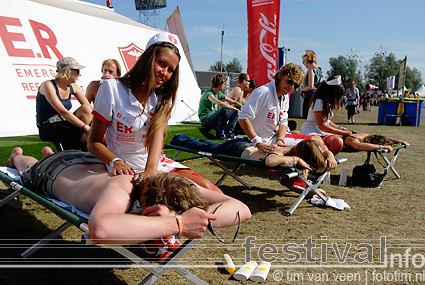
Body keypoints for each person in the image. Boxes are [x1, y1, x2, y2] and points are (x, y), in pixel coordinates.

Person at [6, 147, 251, 246]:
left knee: (53, 158)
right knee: (28, 166)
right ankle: (18, 156)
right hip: (53, 170)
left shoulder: (177, 183)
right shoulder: (125, 186)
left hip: (89, 165)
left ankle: (48, 150)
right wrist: (179, 224)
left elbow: (241, 208)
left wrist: (200, 217)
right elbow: (100, 228)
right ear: (144, 205)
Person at [88, 32, 221, 193]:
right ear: (147, 58)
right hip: (125, 168)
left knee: (211, 189)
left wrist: (151, 170)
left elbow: (157, 141)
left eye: (170, 70)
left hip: (155, 165)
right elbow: (93, 142)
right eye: (161, 63)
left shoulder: (163, 99)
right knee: (198, 196)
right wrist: (115, 161)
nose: (164, 73)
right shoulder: (112, 88)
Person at [238, 63, 304, 156]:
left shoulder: (284, 97)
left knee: (310, 145)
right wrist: (258, 142)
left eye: (296, 85)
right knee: (215, 147)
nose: (292, 87)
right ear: (281, 75)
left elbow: (284, 123)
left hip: (273, 141)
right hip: (255, 143)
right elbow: (243, 117)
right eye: (290, 82)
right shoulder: (263, 92)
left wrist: (280, 141)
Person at [36, 57, 93, 151]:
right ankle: (80, 143)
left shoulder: (73, 87)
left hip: (65, 123)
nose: (80, 74)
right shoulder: (48, 85)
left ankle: (82, 145)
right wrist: (86, 127)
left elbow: (89, 109)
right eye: (77, 71)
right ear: (67, 72)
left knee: (87, 108)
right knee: (91, 139)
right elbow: (62, 111)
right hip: (49, 126)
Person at [299, 75, 353, 155]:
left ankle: (325, 157)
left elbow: (327, 121)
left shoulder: (327, 102)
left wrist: (340, 128)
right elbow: (322, 125)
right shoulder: (318, 102)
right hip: (312, 131)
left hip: (323, 132)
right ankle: (325, 157)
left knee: (337, 142)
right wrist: (341, 132)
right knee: (320, 146)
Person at [198, 74, 242, 140]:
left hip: (213, 119)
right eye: (224, 84)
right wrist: (234, 108)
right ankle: (220, 134)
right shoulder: (209, 94)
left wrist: (243, 107)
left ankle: (229, 132)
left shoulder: (218, 93)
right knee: (224, 110)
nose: (224, 86)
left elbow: (234, 102)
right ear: (219, 84)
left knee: (235, 110)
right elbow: (220, 103)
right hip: (206, 120)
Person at [300, 51, 322, 119]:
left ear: (306, 62)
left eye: (303, 62)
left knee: (307, 116)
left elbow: (310, 86)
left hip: (310, 95)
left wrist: (302, 90)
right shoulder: (318, 69)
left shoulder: (311, 70)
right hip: (316, 94)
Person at [342, 132, 409, 152]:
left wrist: (400, 142)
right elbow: (358, 146)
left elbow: (385, 138)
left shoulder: (368, 136)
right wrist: (382, 147)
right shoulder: (353, 139)